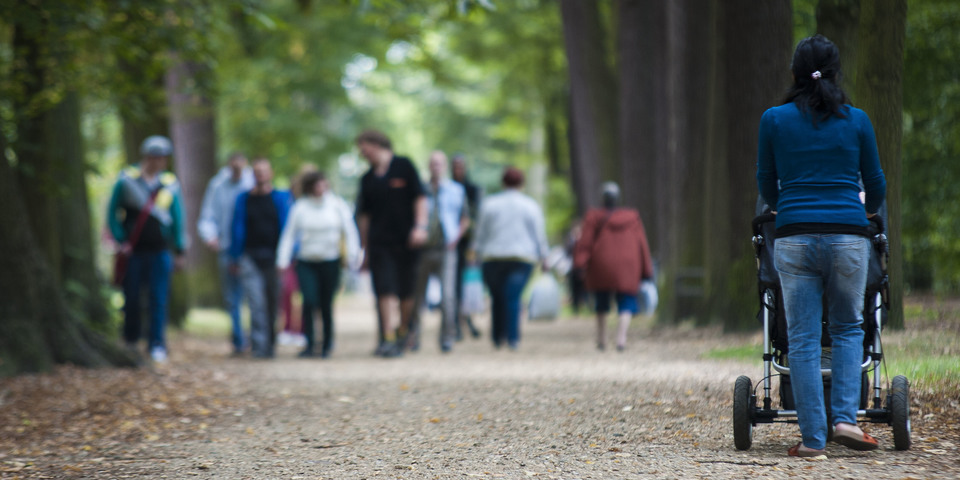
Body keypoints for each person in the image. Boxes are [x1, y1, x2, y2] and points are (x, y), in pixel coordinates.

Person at [756, 34, 886, 457]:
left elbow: (765, 183)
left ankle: (813, 440)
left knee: (803, 338)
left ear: (794, 74)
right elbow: (876, 186)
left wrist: (788, 207)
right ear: (835, 73)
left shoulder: (773, 120)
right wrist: (859, 210)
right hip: (849, 236)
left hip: (792, 238)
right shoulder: (858, 120)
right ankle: (846, 420)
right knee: (850, 328)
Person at [106, 135, 186, 363]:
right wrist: (121, 239)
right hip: (134, 252)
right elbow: (112, 213)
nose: (160, 162)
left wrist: (179, 248)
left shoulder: (169, 183)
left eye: (163, 158)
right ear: (147, 156)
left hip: (160, 250)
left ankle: (156, 343)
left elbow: (177, 217)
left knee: (158, 298)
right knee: (131, 296)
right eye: (157, 157)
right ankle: (130, 340)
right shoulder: (127, 180)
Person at [355, 129, 428, 358]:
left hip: (408, 242)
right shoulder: (366, 179)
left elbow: (420, 197)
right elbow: (364, 217)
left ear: (376, 144)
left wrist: (421, 226)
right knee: (384, 290)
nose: (361, 152)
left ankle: (403, 331)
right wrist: (364, 249)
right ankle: (387, 338)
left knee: (407, 292)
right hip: (379, 244)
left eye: (363, 147)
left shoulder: (404, 166)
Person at [276, 171, 360, 358]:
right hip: (307, 261)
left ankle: (327, 343)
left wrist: (353, 256)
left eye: (324, 184)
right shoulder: (300, 207)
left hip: (331, 260)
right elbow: (289, 235)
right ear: (310, 187)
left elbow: (349, 231)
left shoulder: (337, 205)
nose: (321, 188)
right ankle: (310, 342)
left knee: (326, 303)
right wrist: (282, 259)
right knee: (309, 300)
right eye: (317, 185)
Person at [472, 167, 548, 350]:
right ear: (521, 184)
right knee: (513, 297)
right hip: (520, 259)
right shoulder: (530, 205)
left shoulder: (489, 204)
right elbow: (538, 234)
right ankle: (513, 338)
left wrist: (474, 253)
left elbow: (480, 233)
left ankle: (498, 337)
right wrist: (544, 257)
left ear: (502, 182)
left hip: (492, 258)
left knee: (497, 297)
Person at [574, 182, 654, 352]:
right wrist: (647, 269)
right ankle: (621, 339)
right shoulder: (633, 217)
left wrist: (580, 264)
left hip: (601, 264)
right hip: (628, 265)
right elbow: (642, 244)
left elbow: (585, 242)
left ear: (603, 198)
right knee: (626, 301)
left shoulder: (593, 216)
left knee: (601, 301)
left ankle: (601, 339)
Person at [229, 158, 293, 359]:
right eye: (256, 171)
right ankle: (259, 346)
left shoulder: (282, 198)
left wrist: (289, 256)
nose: (260, 175)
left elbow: (290, 230)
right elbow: (236, 227)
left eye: (264, 171)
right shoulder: (243, 199)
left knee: (273, 302)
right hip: (250, 257)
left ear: (271, 173)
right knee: (256, 303)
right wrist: (234, 256)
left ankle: (271, 343)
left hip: (275, 258)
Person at [409, 151, 470, 353]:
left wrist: (456, 237)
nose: (436, 167)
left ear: (444, 166)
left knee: (448, 297)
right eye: (432, 163)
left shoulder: (456, 190)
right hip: (423, 250)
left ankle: (447, 337)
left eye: (439, 163)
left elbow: (465, 218)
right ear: (428, 166)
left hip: (446, 249)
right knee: (417, 297)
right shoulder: (420, 190)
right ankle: (413, 336)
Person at [197, 152, 254, 356]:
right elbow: (207, 216)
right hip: (227, 249)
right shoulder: (218, 185)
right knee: (233, 297)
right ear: (229, 165)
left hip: (250, 249)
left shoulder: (253, 181)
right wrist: (210, 237)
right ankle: (239, 340)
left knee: (253, 295)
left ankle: (256, 337)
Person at [450, 154, 482, 340]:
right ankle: (457, 323)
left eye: (461, 166)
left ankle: (467, 320)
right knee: (454, 286)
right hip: (453, 244)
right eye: (455, 166)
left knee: (469, 285)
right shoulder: (449, 189)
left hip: (469, 244)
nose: (458, 170)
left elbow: (477, 216)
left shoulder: (472, 189)